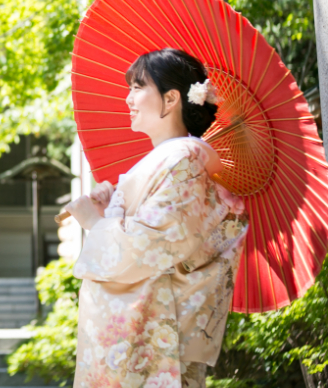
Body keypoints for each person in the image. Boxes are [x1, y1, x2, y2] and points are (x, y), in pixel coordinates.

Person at [65, 48, 248, 388]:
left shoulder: (184, 158)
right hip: (149, 334)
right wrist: (111, 213)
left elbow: (152, 245)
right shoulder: (172, 158)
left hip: (158, 340)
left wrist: (95, 222)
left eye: (137, 87)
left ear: (171, 99)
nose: (127, 98)